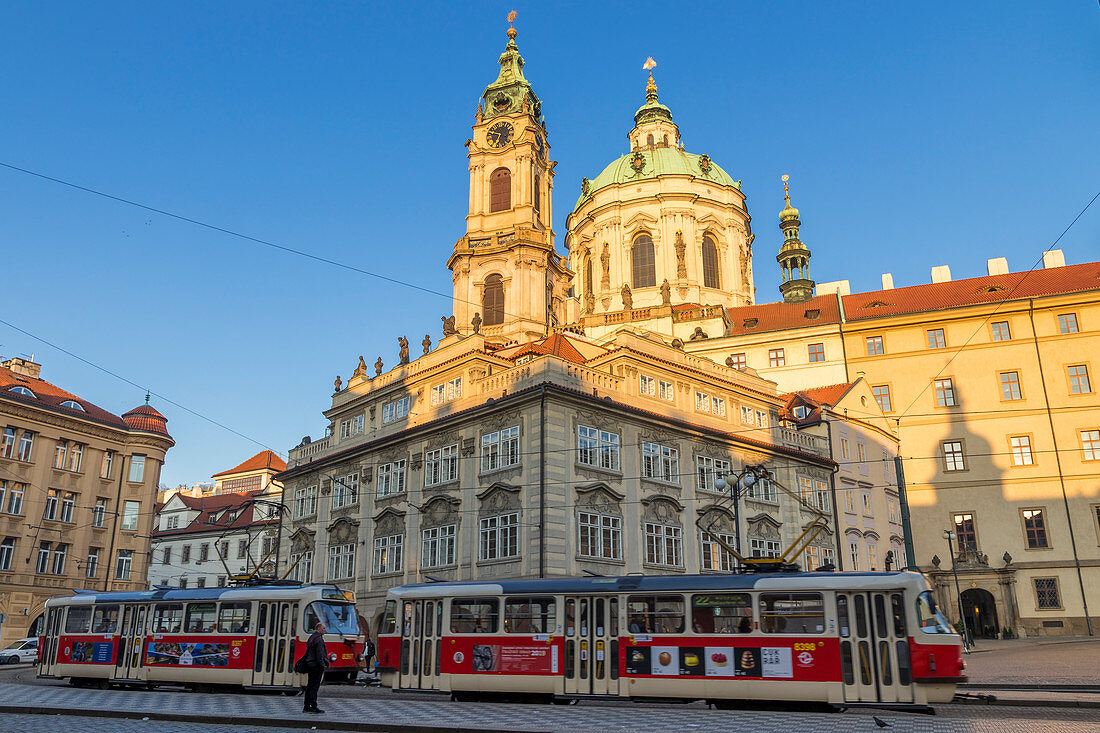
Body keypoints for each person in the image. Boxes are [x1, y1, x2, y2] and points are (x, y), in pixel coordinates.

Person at [300, 621, 329, 714]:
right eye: (323, 628)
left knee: (309, 686)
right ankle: (313, 706)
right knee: (314, 687)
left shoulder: (312, 637)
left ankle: (306, 706)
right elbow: (319, 654)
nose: (325, 630)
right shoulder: (319, 639)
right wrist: (322, 665)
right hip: (316, 666)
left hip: (310, 665)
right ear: (318, 629)